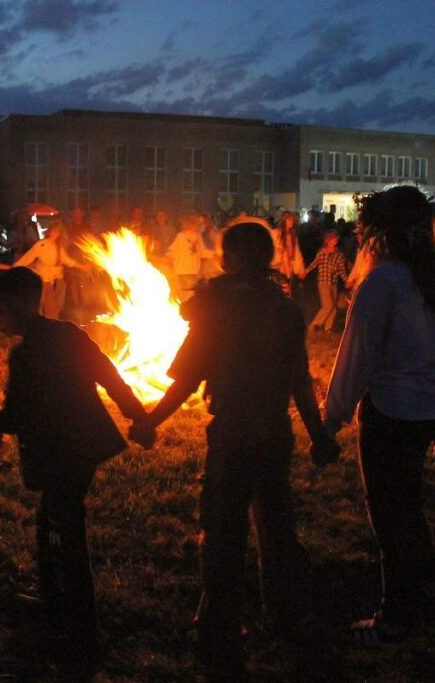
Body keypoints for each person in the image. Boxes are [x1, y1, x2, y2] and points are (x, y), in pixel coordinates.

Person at [129, 223, 340, 679]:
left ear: (226, 260)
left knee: (223, 527)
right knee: (276, 524)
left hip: (233, 432)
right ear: (267, 262)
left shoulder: (214, 311)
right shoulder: (285, 311)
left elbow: (186, 380)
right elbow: (300, 381)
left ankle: (219, 621)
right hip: (273, 430)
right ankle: (285, 614)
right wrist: (318, 435)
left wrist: (150, 421)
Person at [322, 186, 435, 647]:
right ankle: (431, 584)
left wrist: (331, 417)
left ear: (381, 234)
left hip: (388, 414)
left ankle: (395, 618)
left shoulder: (383, 283)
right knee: (408, 503)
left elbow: (356, 359)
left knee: (390, 517)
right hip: (429, 414)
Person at [0, 267, 149, 664]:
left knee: (66, 531)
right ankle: (52, 595)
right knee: (52, 519)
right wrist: (136, 416)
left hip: (60, 452)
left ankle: (80, 627)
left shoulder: (26, 354)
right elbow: (109, 376)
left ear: (14, 305)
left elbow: (13, 417)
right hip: (84, 447)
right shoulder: (68, 334)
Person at [13, 220, 89, 319]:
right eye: (54, 231)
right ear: (49, 231)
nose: (55, 234)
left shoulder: (58, 246)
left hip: (52, 277)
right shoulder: (42, 244)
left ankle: (47, 321)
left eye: (58, 232)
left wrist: (81, 266)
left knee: (49, 303)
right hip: (42, 277)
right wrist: (16, 266)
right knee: (45, 302)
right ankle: (43, 321)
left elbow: (67, 260)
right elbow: (29, 256)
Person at [304, 229, 348, 332]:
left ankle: (328, 327)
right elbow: (314, 264)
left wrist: (346, 280)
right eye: (332, 238)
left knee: (333, 306)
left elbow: (341, 270)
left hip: (333, 282)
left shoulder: (339, 254)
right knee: (328, 305)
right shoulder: (322, 253)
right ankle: (314, 325)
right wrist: (306, 271)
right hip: (323, 281)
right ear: (327, 240)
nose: (335, 240)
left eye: (336, 238)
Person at [166, 213, 209, 301]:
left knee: (191, 297)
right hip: (181, 271)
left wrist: (214, 255)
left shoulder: (198, 236)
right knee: (183, 297)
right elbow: (171, 250)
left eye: (200, 225)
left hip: (193, 271)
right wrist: (167, 260)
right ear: (191, 224)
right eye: (197, 224)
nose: (199, 227)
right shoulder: (181, 236)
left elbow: (203, 252)